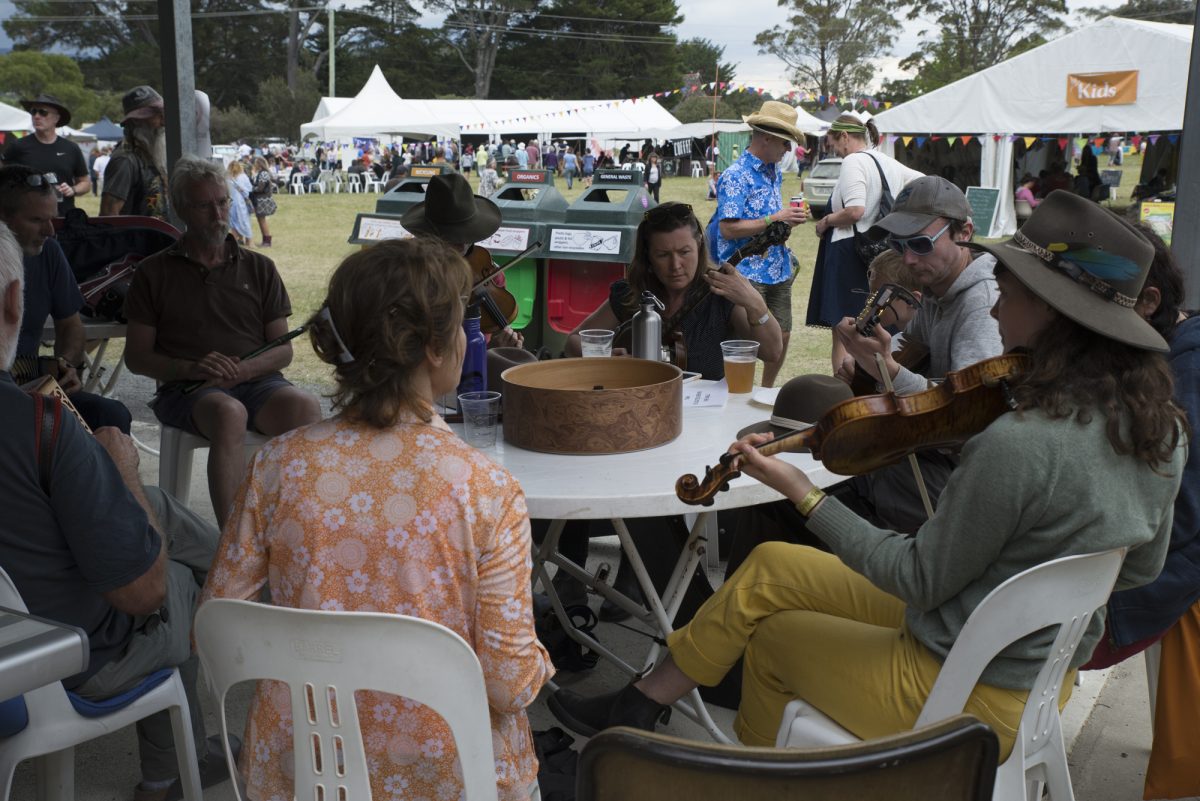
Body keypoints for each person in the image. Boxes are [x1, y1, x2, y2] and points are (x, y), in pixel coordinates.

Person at [548, 190, 1186, 763]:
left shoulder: (1017, 445)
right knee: (772, 564)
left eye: (1012, 291)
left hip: (968, 685)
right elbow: (1140, 568)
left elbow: (916, 577)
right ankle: (641, 701)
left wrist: (801, 492)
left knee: (772, 641)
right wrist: (1018, 592)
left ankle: (757, 781)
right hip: (1031, 665)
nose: (996, 308)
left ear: (1056, 314)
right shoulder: (1162, 430)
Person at [199, 237, 552, 801]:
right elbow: (510, 686)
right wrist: (541, 663)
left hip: (302, 772)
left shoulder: (277, 466)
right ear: (433, 349)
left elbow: (217, 631)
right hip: (453, 776)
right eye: (461, 325)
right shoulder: (487, 490)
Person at [0, 221, 233, 801]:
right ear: (12, 302)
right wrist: (123, 469)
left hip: (18, 627)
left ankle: (244, 574)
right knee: (178, 580)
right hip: (59, 663)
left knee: (156, 510)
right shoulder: (39, 426)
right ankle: (171, 769)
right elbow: (142, 593)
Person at [123, 157, 321, 526]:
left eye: (223, 202)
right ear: (181, 209)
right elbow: (137, 357)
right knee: (230, 414)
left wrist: (245, 369)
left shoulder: (259, 267)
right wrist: (190, 368)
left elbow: (283, 350)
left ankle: (299, 532)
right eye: (204, 205)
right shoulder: (154, 272)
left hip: (257, 382)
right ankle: (235, 545)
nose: (218, 214)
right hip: (189, 389)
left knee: (306, 408)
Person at [566, 201, 782, 377]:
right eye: (663, 255)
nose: (675, 265)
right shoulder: (633, 293)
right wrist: (606, 358)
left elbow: (772, 352)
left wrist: (754, 302)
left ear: (699, 244)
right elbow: (574, 341)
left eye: (684, 252)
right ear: (648, 256)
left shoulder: (720, 294)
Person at [0, 164, 134, 432]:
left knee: (112, 416)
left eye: (52, 218)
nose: (50, 231)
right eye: (37, 220)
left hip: (31, 390)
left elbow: (71, 324)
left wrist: (66, 365)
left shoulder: (47, 251)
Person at [707, 100, 809, 388]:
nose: (788, 149)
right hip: (746, 275)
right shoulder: (735, 176)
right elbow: (728, 229)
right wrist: (774, 217)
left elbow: (767, 219)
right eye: (785, 142)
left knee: (783, 334)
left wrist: (786, 220)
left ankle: (765, 390)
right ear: (766, 137)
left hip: (777, 270)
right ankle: (741, 392)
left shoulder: (773, 172)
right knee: (746, 343)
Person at [805, 112, 923, 337]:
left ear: (845, 136)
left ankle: (844, 374)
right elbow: (925, 182)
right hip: (880, 253)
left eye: (834, 145)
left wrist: (826, 221)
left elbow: (855, 211)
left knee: (845, 332)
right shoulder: (888, 161)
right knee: (876, 328)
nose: (837, 152)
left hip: (850, 253)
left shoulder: (853, 160)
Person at [401, 172, 524, 348]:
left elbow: (484, 343)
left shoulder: (490, 273)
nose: (462, 243)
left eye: (468, 233)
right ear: (425, 234)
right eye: (450, 237)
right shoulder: (407, 273)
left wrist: (495, 348)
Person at [2, 93, 91, 215]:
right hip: (29, 217)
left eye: (43, 112)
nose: (37, 116)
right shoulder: (18, 146)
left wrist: (72, 189)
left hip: (63, 216)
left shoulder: (71, 148)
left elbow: (85, 183)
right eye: (33, 112)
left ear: (56, 118)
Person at [101, 86, 169, 219]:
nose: (163, 121)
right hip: (135, 239)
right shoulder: (125, 160)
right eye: (157, 115)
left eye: (163, 114)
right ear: (136, 120)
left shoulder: (151, 153)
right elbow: (108, 215)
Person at [248, 155, 277, 247]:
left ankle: (267, 241)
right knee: (260, 220)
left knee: (262, 220)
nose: (254, 165)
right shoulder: (260, 173)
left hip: (262, 201)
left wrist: (250, 188)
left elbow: (260, 188)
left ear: (259, 165)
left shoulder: (264, 174)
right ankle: (265, 239)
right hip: (260, 200)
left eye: (255, 164)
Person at [226, 161, 253, 246]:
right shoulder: (243, 177)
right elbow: (248, 189)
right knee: (244, 221)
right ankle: (249, 241)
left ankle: (236, 240)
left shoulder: (227, 178)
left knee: (233, 222)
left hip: (231, 202)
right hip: (240, 202)